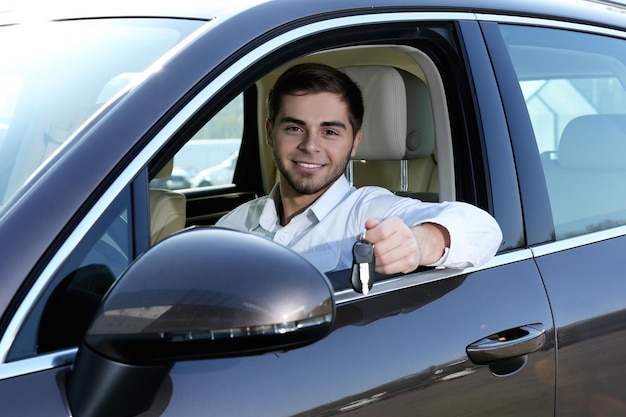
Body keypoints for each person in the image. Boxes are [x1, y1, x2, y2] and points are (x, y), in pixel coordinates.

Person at [216, 63, 502, 274]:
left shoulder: (368, 212)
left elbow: (484, 229)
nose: (310, 145)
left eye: (330, 132)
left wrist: (419, 242)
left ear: (355, 142)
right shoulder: (234, 225)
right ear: (269, 133)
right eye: (294, 128)